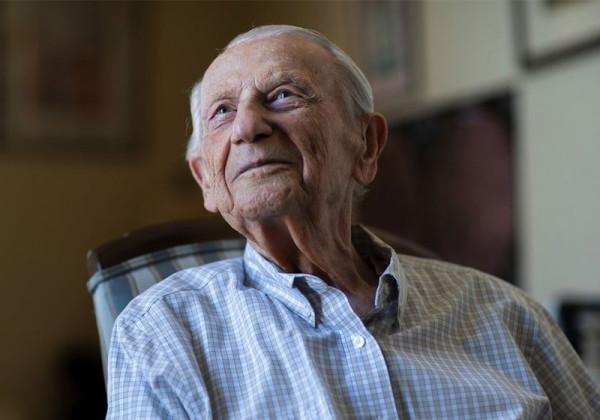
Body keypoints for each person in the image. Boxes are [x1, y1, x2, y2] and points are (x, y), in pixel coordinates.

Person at [106, 25, 600, 419]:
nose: (248, 126)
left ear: (365, 145)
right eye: (222, 111)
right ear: (205, 179)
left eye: (282, 95)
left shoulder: (508, 316)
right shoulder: (165, 333)